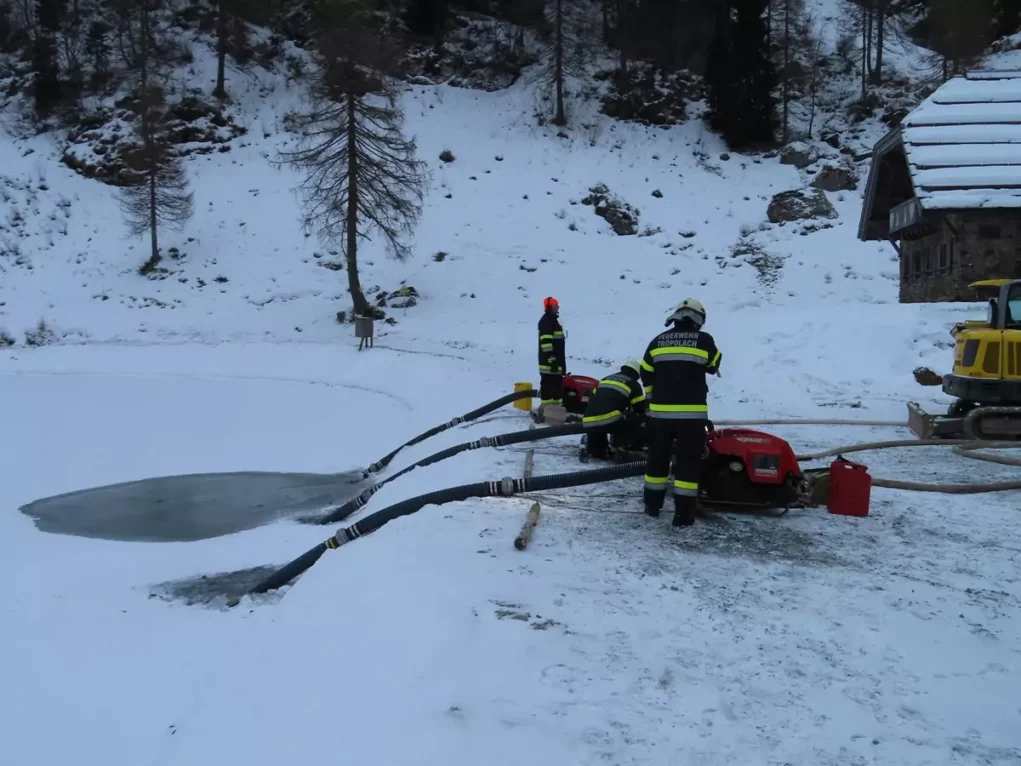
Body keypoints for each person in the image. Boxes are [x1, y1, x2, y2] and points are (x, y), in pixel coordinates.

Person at [639, 298, 722, 526]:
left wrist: (650, 395)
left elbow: (645, 370)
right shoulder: (704, 340)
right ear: (698, 320)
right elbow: (714, 364)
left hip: (659, 416)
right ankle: (682, 515)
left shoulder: (658, 340)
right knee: (687, 464)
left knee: (657, 461)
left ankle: (652, 506)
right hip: (691, 418)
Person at [582, 360, 647, 459]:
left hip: (588, 420)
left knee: (599, 453)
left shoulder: (605, 379)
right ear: (637, 373)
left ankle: (598, 448)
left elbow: (592, 397)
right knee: (636, 418)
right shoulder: (632, 383)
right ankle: (621, 446)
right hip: (609, 421)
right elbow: (640, 409)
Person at [537, 296, 566, 411]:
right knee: (548, 388)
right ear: (549, 307)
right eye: (556, 305)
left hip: (556, 363)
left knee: (558, 389)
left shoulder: (553, 321)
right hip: (549, 365)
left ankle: (556, 412)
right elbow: (546, 344)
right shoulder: (546, 322)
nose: (558, 307)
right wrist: (552, 360)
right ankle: (545, 411)